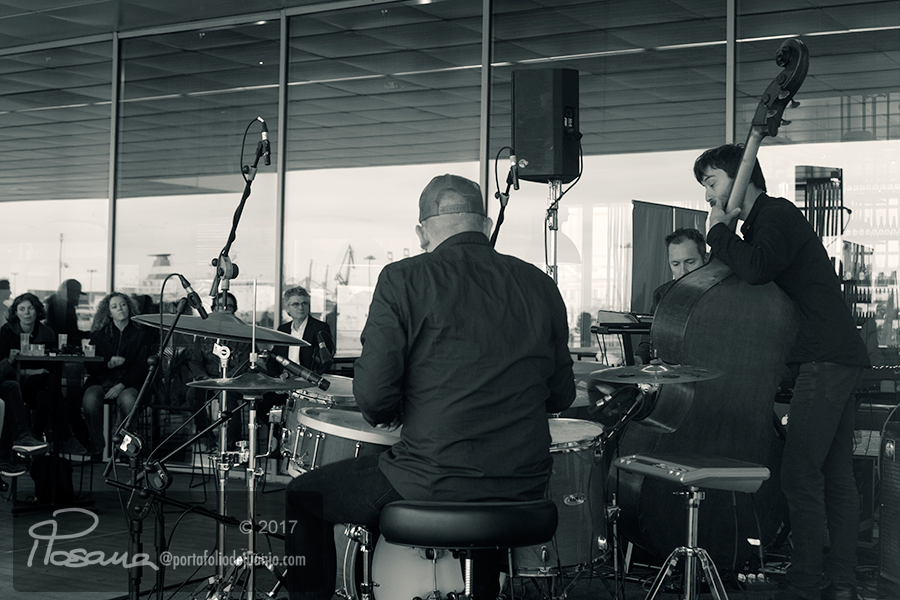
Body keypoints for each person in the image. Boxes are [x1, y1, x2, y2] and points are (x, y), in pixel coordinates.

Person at [284, 174, 576, 600]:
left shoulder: (403, 279)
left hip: (434, 478)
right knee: (481, 501)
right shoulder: (539, 284)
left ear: (421, 233)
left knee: (303, 495)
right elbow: (561, 396)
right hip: (523, 485)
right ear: (485, 224)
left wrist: (396, 409)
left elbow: (374, 398)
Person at [695, 143, 869, 600]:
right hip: (835, 356)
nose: (708, 195)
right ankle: (842, 584)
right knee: (835, 476)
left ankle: (805, 583)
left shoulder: (777, 214)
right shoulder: (764, 223)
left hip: (824, 359)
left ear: (741, 177)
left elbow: (756, 269)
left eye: (711, 182)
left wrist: (718, 232)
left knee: (800, 475)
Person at [82, 292, 154, 461]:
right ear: (109, 312)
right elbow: (89, 365)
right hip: (101, 380)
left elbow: (141, 366)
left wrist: (122, 384)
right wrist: (107, 364)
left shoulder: (141, 333)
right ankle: (97, 448)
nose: (120, 309)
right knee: (90, 400)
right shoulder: (99, 335)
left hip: (129, 382)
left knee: (128, 401)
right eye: (114, 307)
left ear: (129, 307)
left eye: (123, 305)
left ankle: (125, 450)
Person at [633, 227, 708, 365]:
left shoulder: (719, 295)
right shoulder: (662, 294)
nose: (683, 271)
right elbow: (649, 339)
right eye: (675, 264)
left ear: (705, 258)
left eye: (690, 262)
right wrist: (639, 358)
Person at [185, 292, 249, 449]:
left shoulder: (244, 334)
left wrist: (225, 382)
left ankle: (231, 445)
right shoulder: (204, 333)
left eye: (229, 306)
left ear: (235, 310)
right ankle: (207, 438)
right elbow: (195, 361)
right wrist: (205, 379)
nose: (224, 309)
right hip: (208, 379)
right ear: (213, 309)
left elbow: (245, 364)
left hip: (233, 382)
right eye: (220, 306)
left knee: (227, 398)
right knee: (193, 394)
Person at [0, 294, 52, 474]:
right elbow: (3, 369)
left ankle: (31, 439)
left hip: (35, 385)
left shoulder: (47, 333)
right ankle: (21, 443)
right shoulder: (6, 332)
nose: (27, 313)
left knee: (47, 393)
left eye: (30, 308)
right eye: (22, 309)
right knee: (11, 390)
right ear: (15, 312)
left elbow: (50, 368)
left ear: (37, 311)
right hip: (16, 382)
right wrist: (11, 362)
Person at [268, 286, 336, 375]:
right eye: (295, 304)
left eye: (304, 303)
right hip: (284, 380)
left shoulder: (320, 328)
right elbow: (274, 358)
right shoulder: (283, 329)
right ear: (287, 308)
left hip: (309, 380)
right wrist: (277, 377)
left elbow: (324, 362)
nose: (301, 307)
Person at [44, 279, 89, 343]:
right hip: (64, 345)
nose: (78, 298)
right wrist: (90, 334)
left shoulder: (52, 304)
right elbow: (72, 333)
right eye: (77, 294)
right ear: (70, 293)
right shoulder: (67, 308)